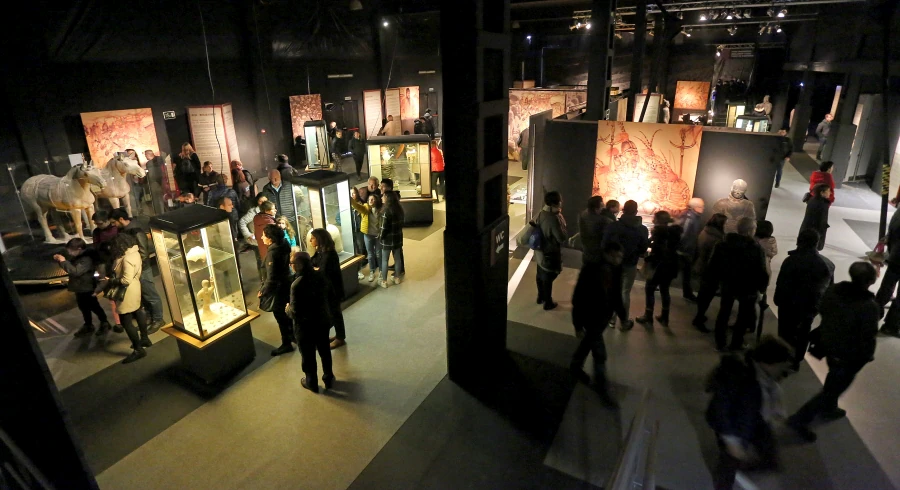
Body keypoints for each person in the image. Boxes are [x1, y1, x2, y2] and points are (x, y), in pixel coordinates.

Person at [787, 262, 881, 442]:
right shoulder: (869, 307)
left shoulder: (834, 291)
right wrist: (866, 355)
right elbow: (867, 336)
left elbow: (822, 309)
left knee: (834, 377)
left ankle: (830, 407)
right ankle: (799, 419)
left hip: (829, 345)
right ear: (870, 281)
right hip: (849, 355)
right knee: (834, 388)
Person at [705, 335, 795, 490]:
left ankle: (752, 464)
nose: (784, 370)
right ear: (769, 364)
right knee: (728, 465)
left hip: (755, 419)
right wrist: (731, 441)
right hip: (735, 429)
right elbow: (717, 411)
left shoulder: (765, 375)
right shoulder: (738, 377)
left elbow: (770, 391)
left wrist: (775, 410)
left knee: (769, 452)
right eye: (782, 366)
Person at [571, 242, 634, 405]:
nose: (618, 259)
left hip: (603, 318)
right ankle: (601, 387)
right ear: (606, 254)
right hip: (590, 317)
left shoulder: (616, 270)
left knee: (587, 342)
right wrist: (577, 324)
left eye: (620, 256)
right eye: (615, 255)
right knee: (600, 354)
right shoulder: (590, 269)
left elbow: (616, 296)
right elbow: (578, 298)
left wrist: (623, 316)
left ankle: (575, 366)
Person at [774, 229, 835, 370]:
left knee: (785, 332)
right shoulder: (828, 264)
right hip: (810, 307)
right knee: (803, 333)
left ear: (799, 241)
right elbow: (828, 289)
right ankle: (796, 360)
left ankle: (782, 358)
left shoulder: (791, 261)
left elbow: (782, 283)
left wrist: (779, 300)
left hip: (788, 305)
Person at [707, 218, 769, 351]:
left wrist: (716, 281)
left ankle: (720, 342)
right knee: (743, 317)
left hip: (727, 284)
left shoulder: (723, 244)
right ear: (750, 231)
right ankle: (736, 343)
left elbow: (713, 265)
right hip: (748, 287)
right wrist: (762, 288)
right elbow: (761, 271)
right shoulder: (756, 248)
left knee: (724, 312)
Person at [109, 208, 165, 333]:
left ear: (121, 219)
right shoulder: (127, 229)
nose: (113, 225)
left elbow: (144, 252)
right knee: (145, 295)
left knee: (150, 295)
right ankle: (151, 317)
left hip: (141, 269)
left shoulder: (136, 231)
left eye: (114, 222)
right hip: (135, 269)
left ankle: (158, 319)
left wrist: (137, 269)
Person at [286, 252, 335, 393]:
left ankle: (311, 381)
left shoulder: (297, 284)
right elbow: (331, 296)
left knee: (308, 355)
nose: (291, 266)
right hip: (322, 321)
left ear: (299, 265)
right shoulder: (320, 275)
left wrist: (288, 309)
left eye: (292, 263)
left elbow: (295, 312)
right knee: (325, 351)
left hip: (305, 327)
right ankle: (328, 377)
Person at [104, 233, 151, 364]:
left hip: (127, 292)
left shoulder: (126, 259)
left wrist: (111, 280)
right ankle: (145, 338)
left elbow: (125, 280)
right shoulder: (134, 252)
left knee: (126, 321)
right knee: (139, 310)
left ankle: (138, 350)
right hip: (136, 287)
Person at [602, 200, 649, 328]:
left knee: (611, 290)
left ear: (623, 210)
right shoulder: (642, 229)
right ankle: (624, 321)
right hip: (630, 264)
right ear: (636, 211)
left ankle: (611, 319)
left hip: (613, 264)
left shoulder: (613, 226)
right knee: (625, 292)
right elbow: (643, 249)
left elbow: (604, 244)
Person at [53, 238, 111, 338]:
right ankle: (88, 325)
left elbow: (76, 271)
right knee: (83, 307)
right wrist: (61, 261)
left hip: (86, 287)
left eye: (71, 250)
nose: (69, 253)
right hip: (80, 287)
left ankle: (104, 322)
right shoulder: (79, 257)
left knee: (94, 306)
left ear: (79, 249)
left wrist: (63, 262)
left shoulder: (86, 259)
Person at [637, 211, 682, 326]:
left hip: (659, 266)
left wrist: (648, 258)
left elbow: (657, 251)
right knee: (665, 290)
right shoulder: (675, 232)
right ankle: (665, 317)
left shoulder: (659, 233)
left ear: (658, 220)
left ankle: (648, 316)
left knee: (650, 289)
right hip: (671, 265)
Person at [259, 224, 294, 356]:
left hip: (278, 289)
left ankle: (287, 343)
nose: (262, 237)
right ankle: (292, 336)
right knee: (287, 313)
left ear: (270, 238)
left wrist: (263, 291)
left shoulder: (273, 253)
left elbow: (272, 277)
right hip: (286, 283)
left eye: (264, 235)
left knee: (280, 316)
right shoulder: (284, 244)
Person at [310, 228, 347, 349]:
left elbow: (322, 271)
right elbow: (313, 262)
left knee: (335, 313)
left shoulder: (329, 253)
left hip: (333, 290)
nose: (311, 240)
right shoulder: (321, 251)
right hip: (327, 289)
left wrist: (315, 269)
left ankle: (340, 337)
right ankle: (338, 335)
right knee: (332, 312)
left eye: (313, 238)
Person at [692, 213, 728, 332]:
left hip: (702, 266)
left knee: (703, 294)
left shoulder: (705, 231)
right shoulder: (716, 239)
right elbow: (713, 258)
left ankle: (699, 316)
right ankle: (698, 318)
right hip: (709, 270)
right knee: (706, 296)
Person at [535, 191, 568, 310]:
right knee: (550, 275)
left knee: (540, 273)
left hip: (540, 249)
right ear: (556, 202)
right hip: (550, 251)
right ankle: (548, 302)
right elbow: (561, 238)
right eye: (560, 200)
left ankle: (540, 297)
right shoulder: (553, 218)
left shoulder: (542, 213)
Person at [91, 210, 121, 330]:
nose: (98, 226)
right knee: (111, 296)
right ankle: (118, 322)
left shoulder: (115, 229)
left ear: (107, 221)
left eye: (100, 223)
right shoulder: (97, 232)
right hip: (104, 263)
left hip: (115, 263)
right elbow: (96, 246)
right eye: (96, 223)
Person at [876, 205, 900, 336]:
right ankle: (891, 325)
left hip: (895, 255)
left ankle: (873, 316)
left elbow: (892, 231)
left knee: (886, 287)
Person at [350, 192, 383, 282]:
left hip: (378, 235)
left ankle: (381, 271)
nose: (370, 201)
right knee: (370, 254)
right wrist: (350, 199)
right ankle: (372, 271)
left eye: (372, 199)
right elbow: (357, 206)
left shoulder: (380, 210)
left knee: (379, 254)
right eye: (369, 200)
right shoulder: (365, 208)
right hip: (368, 234)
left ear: (376, 200)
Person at [678, 198, 705, 301]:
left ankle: (687, 293)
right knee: (683, 272)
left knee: (686, 273)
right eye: (700, 206)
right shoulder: (689, 217)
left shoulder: (695, 217)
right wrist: (682, 248)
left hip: (687, 250)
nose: (703, 208)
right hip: (684, 251)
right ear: (694, 207)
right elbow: (683, 234)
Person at [379, 191, 406, 288]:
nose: (382, 197)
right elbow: (403, 223)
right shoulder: (399, 210)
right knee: (397, 258)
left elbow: (383, 228)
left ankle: (384, 281)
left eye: (383, 196)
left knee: (385, 260)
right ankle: (397, 278)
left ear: (387, 198)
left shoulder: (385, 211)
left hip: (387, 239)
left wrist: (380, 237)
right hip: (398, 237)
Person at [578, 196, 612, 266]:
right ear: (596, 208)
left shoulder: (583, 214)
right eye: (601, 207)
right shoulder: (603, 220)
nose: (603, 209)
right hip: (597, 253)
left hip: (586, 250)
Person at [800, 183, 831, 251]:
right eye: (828, 191)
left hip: (806, 227)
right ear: (822, 193)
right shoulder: (823, 204)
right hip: (815, 231)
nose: (830, 193)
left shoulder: (811, 200)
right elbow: (822, 220)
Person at [253, 201, 278, 279]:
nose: (276, 210)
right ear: (267, 211)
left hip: (263, 250)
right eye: (273, 209)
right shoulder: (269, 223)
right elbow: (276, 238)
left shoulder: (258, 219)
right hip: (271, 252)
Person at [349, 187, 367, 274]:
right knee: (354, 248)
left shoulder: (362, 205)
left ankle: (360, 266)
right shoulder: (347, 206)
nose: (352, 195)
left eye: (354, 193)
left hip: (360, 230)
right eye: (350, 194)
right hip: (351, 230)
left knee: (360, 248)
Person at [143, 149, 167, 215]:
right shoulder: (148, 163)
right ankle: (161, 212)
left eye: (145, 155)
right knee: (158, 199)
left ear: (148, 154)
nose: (145, 157)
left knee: (165, 198)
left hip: (163, 181)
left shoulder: (160, 159)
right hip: (154, 183)